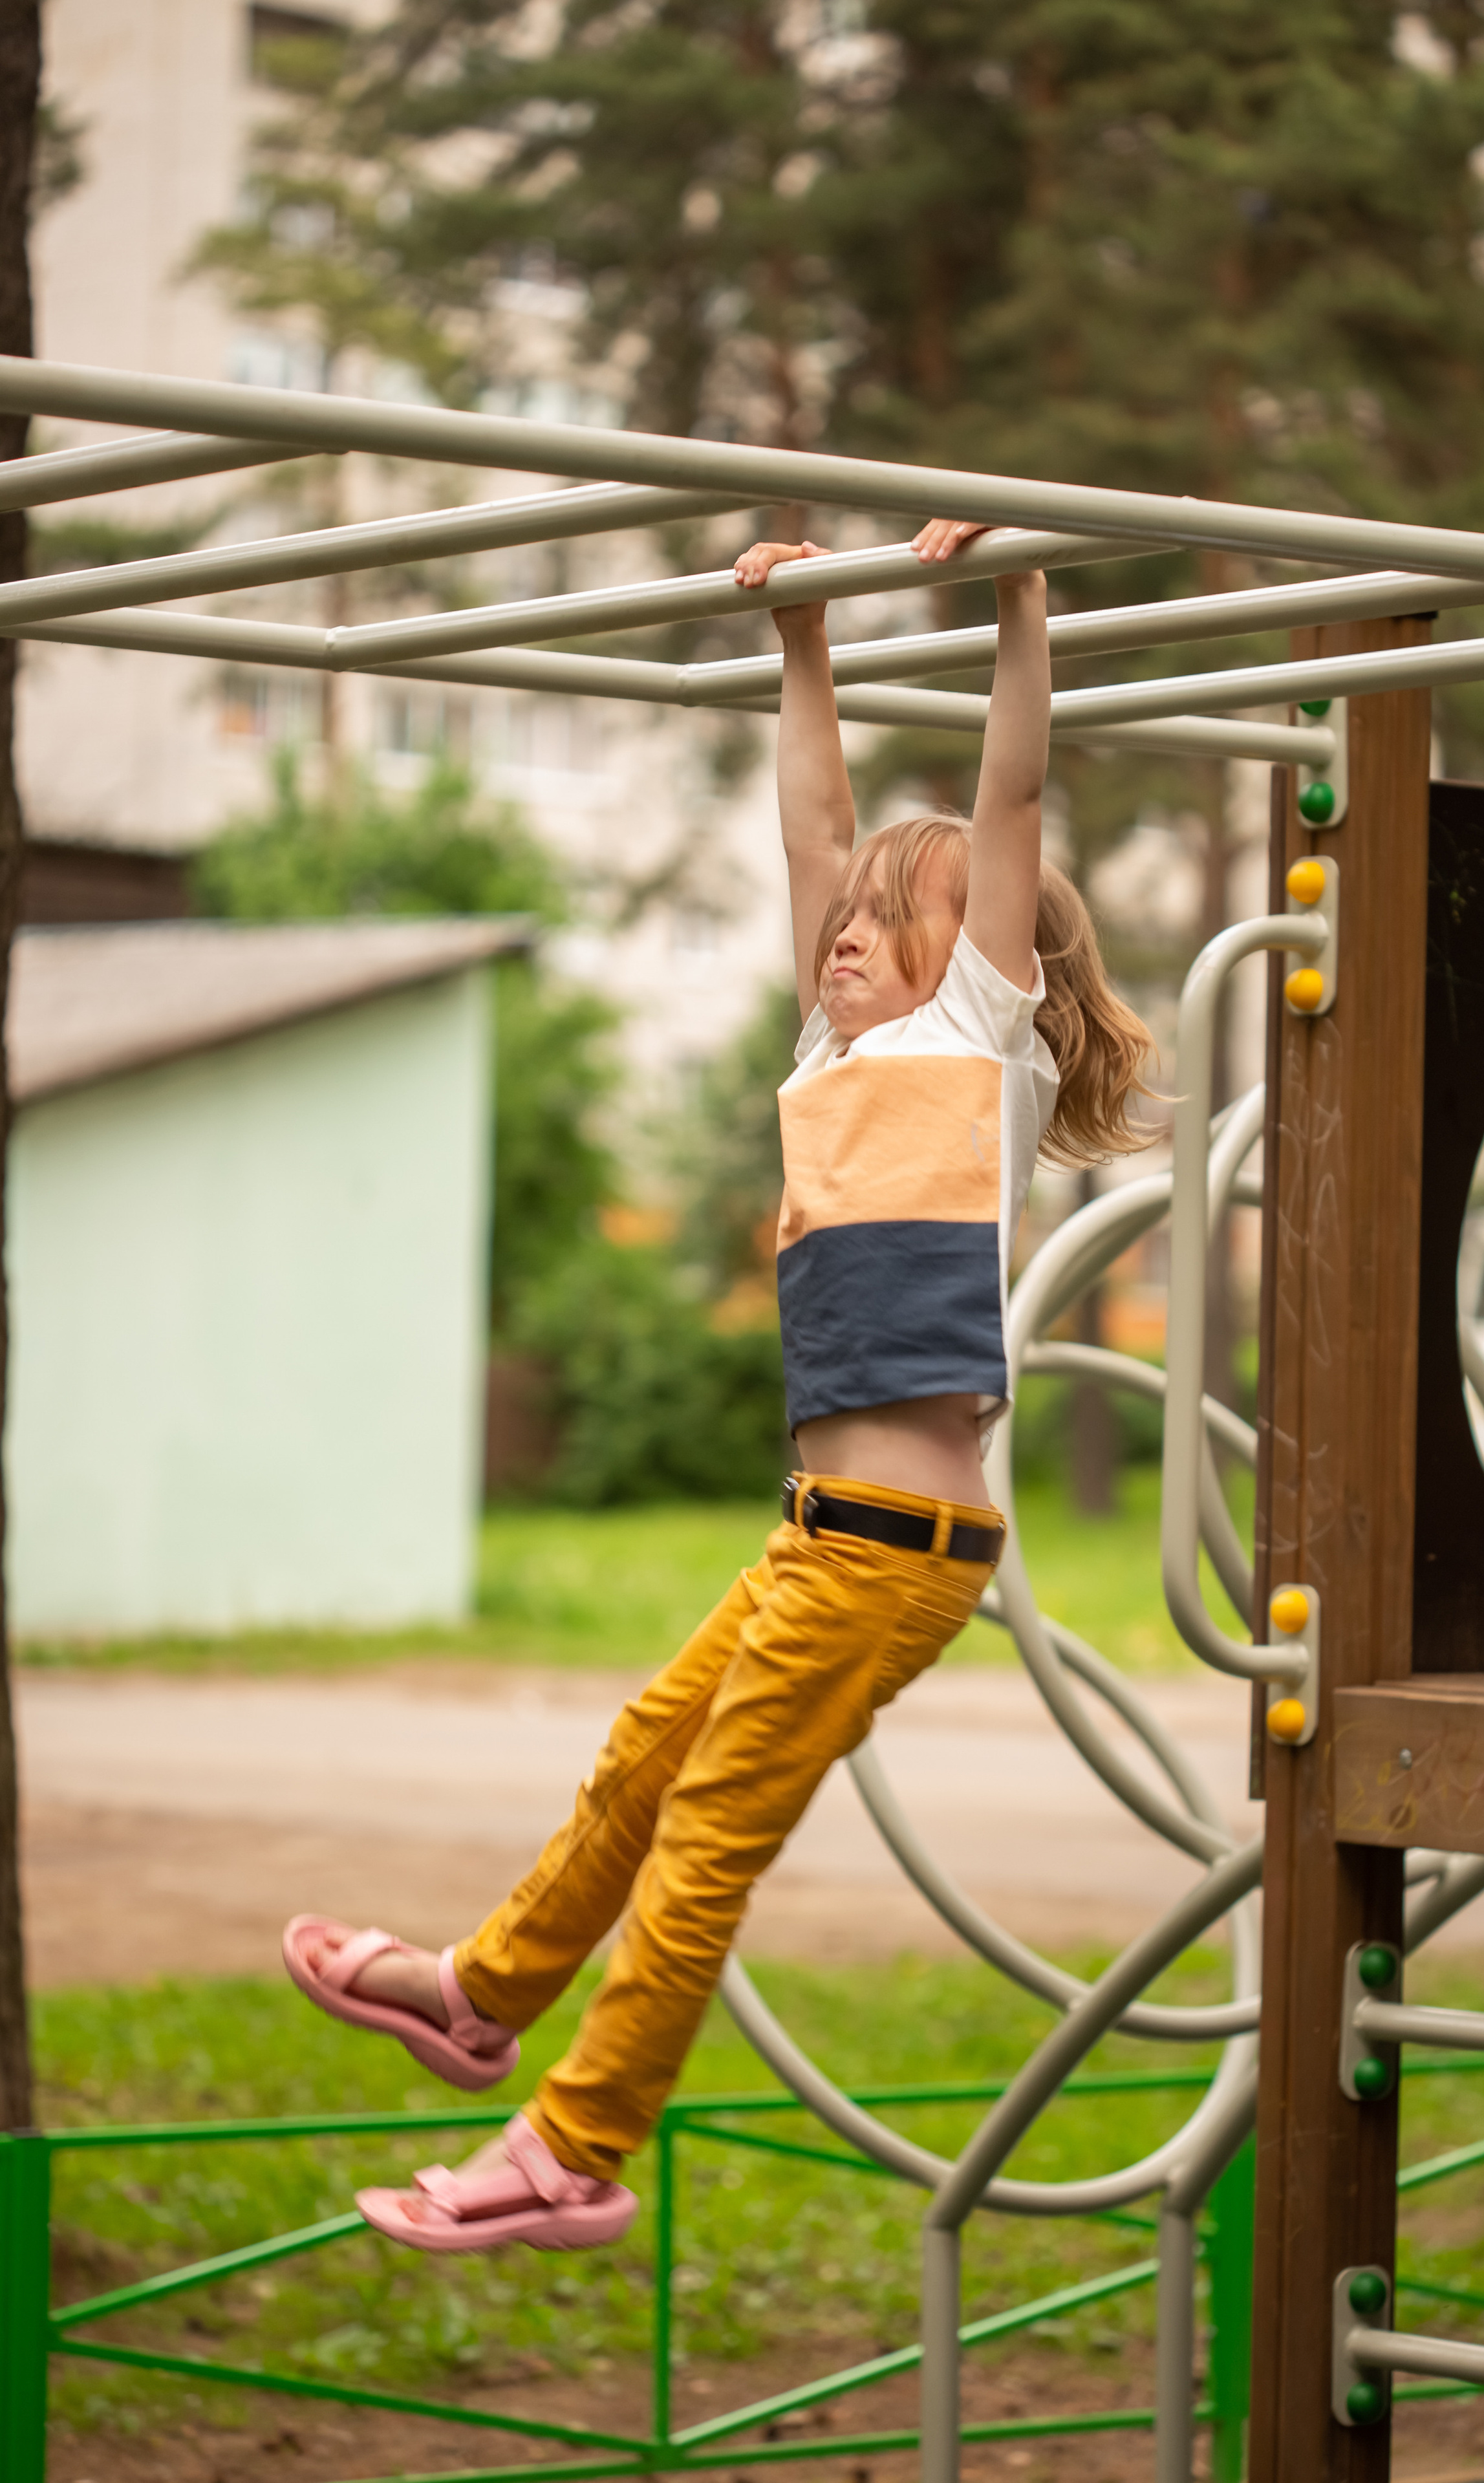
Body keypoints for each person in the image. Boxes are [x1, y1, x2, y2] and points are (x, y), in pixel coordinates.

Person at [282, 519, 1152, 2255]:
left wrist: (1016, 599)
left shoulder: (966, 1035)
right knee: (636, 1767)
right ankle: (481, 1992)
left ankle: (576, 2148)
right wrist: (807, 640)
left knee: (700, 1846)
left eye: (882, 923)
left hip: (895, 1541)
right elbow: (814, 824)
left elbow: (1012, 801)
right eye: (836, 926)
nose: (840, 933)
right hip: (823, 1529)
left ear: (970, 948)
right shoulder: (837, 1047)